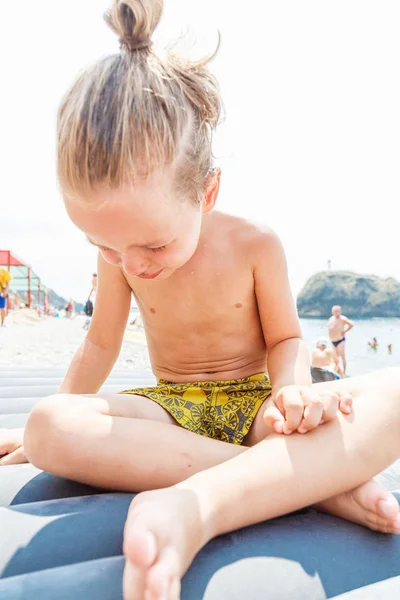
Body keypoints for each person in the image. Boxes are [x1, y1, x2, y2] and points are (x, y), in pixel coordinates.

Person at [2, 2, 400, 599]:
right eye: (104, 246)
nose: (131, 264)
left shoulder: (256, 243)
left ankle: (279, 473)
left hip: (255, 405)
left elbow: (287, 338)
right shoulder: (125, 252)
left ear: (208, 190)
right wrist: (47, 430)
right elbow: (101, 341)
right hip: (172, 410)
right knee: (49, 426)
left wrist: (294, 389)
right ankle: (303, 481)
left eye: (152, 244)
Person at [328, 305, 354, 374]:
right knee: (335, 358)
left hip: (340, 340)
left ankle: (344, 371)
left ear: (340, 311)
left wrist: (345, 331)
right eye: (334, 311)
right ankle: (337, 371)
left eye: (337, 311)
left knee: (342, 356)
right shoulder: (331, 318)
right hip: (333, 341)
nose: (336, 312)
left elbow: (351, 324)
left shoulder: (342, 318)